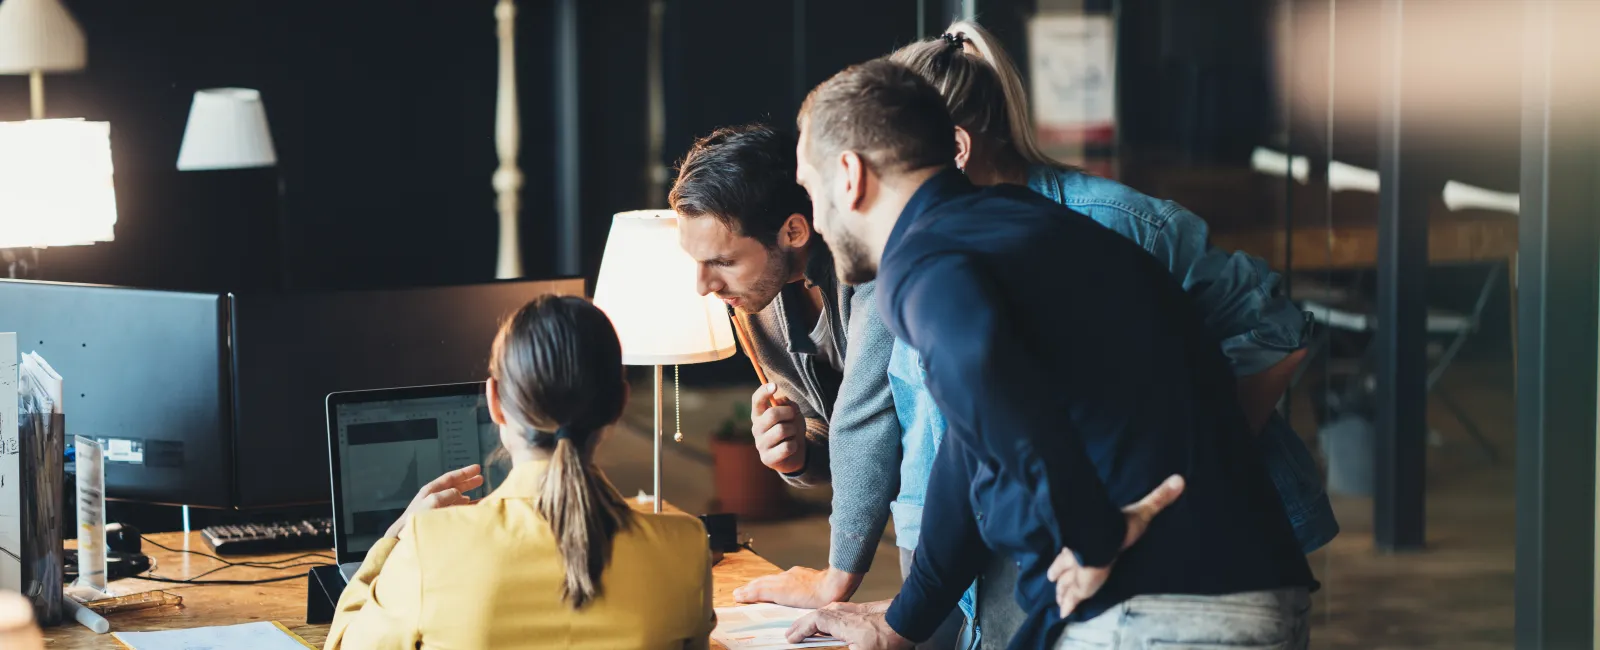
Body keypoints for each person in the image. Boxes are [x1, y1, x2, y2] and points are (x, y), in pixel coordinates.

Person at [787, 59, 1316, 650]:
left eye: (810, 188)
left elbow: (980, 371)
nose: (814, 219)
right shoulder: (1033, 231)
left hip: (1154, 612)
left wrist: (1093, 534)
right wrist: (902, 623)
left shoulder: (924, 259)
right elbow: (969, 450)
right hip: (1251, 591)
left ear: (850, 175)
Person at [670, 125, 970, 647]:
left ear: (792, 231)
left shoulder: (876, 259)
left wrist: (836, 576)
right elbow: (831, 433)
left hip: (963, 503)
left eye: (722, 261)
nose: (705, 285)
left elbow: (867, 416)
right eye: (697, 261)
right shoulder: (753, 299)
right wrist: (798, 454)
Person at [325, 295, 715, 650]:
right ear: (619, 405)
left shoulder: (429, 546)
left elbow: (342, 646)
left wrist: (398, 537)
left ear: (494, 402)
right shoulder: (686, 548)